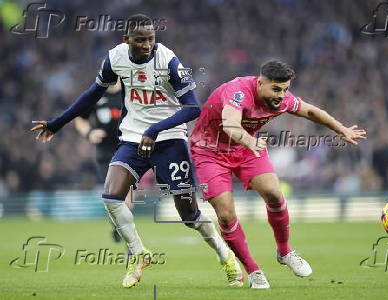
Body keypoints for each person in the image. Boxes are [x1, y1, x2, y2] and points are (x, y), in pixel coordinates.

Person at [31, 14, 241, 289]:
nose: (146, 45)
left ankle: (226, 256)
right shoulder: (115, 57)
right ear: (126, 40)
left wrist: (154, 130)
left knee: (189, 216)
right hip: (132, 137)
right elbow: (92, 94)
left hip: (169, 139)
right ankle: (139, 252)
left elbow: (192, 108)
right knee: (111, 197)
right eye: (140, 40)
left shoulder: (169, 61)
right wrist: (58, 123)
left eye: (150, 39)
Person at [190, 60, 367, 289]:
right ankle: (253, 271)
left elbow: (312, 111)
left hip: (245, 148)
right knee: (225, 214)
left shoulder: (281, 99)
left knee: (274, 193)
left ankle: (285, 252)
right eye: (276, 89)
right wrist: (250, 141)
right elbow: (231, 125)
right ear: (260, 83)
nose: (281, 95)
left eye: (285, 89)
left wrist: (341, 128)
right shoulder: (238, 91)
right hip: (209, 151)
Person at [74, 78, 124, 243]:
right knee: (114, 196)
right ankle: (116, 223)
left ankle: (130, 248)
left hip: (128, 148)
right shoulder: (95, 94)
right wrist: (89, 133)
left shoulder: (129, 91)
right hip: (106, 153)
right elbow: (80, 119)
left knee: (127, 199)